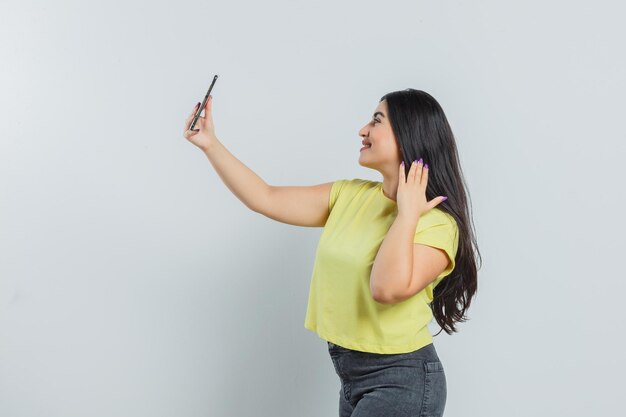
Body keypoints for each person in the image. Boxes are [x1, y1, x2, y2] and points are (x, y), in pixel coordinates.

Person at [183, 88, 480, 417]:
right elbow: (264, 197)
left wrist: (407, 214)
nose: (363, 130)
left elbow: (386, 288)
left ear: (408, 134)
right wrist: (210, 144)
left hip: (403, 382)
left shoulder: (436, 224)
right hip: (350, 378)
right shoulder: (349, 195)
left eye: (377, 121)